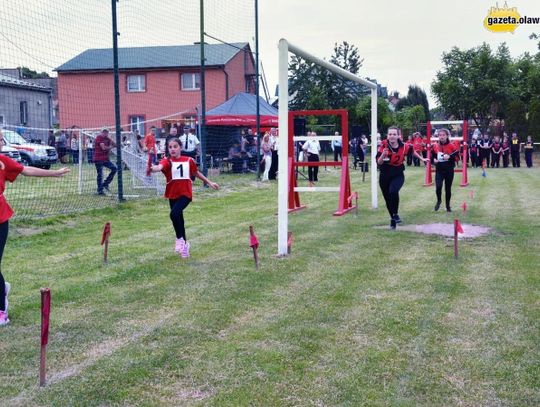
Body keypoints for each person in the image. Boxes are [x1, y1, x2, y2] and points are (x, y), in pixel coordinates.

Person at [0, 129, 70, 326]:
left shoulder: (3, 161)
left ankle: (1, 309)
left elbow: (26, 170)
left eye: (1, 139)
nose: (2, 142)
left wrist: (54, 173)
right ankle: (2, 288)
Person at [148, 136, 219, 258]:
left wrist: (209, 182)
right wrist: (151, 168)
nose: (172, 149)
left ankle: (179, 240)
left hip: (185, 194)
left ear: (180, 147)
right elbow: (158, 167)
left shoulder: (188, 160)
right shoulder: (167, 161)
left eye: (175, 147)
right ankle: (185, 246)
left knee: (174, 214)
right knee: (179, 219)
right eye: (170, 147)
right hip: (172, 194)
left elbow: (196, 172)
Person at [377, 126, 426, 229]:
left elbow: (413, 152)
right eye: (390, 134)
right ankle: (393, 219)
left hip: (397, 173)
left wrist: (422, 159)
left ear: (399, 135)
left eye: (394, 134)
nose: (392, 136)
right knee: (387, 199)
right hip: (384, 174)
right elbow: (379, 162)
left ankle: (395, 214)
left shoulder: (404, 146)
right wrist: (383, 155)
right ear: (387, 135)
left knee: (393, 191)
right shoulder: (383, 144)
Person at [432, 128, 460, 212]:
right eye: (440, 135)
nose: (441, 137)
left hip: (449, 170)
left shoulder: (452, 145)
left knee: (448, 189)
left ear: (447, 136)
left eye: (443, 135)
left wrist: (450, 156)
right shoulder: (435, 145)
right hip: (439, 170)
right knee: (438, 187)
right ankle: (439, 200)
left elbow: (456, 154)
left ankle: (448, 206)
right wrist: (434, 160)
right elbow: (432, 155)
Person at [93, 128, 117, 195]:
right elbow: (103, 148)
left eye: (106, 132)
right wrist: (111, 147)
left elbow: (115, 145)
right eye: (104, 132)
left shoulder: (107, 138)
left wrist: (111, 139)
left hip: (105, 159)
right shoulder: (99, 137)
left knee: (114, 169)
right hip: (98, 158)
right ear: (101, 132)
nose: (105, 133)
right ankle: (100, 190)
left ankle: (105, 184)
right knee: (100, 174)